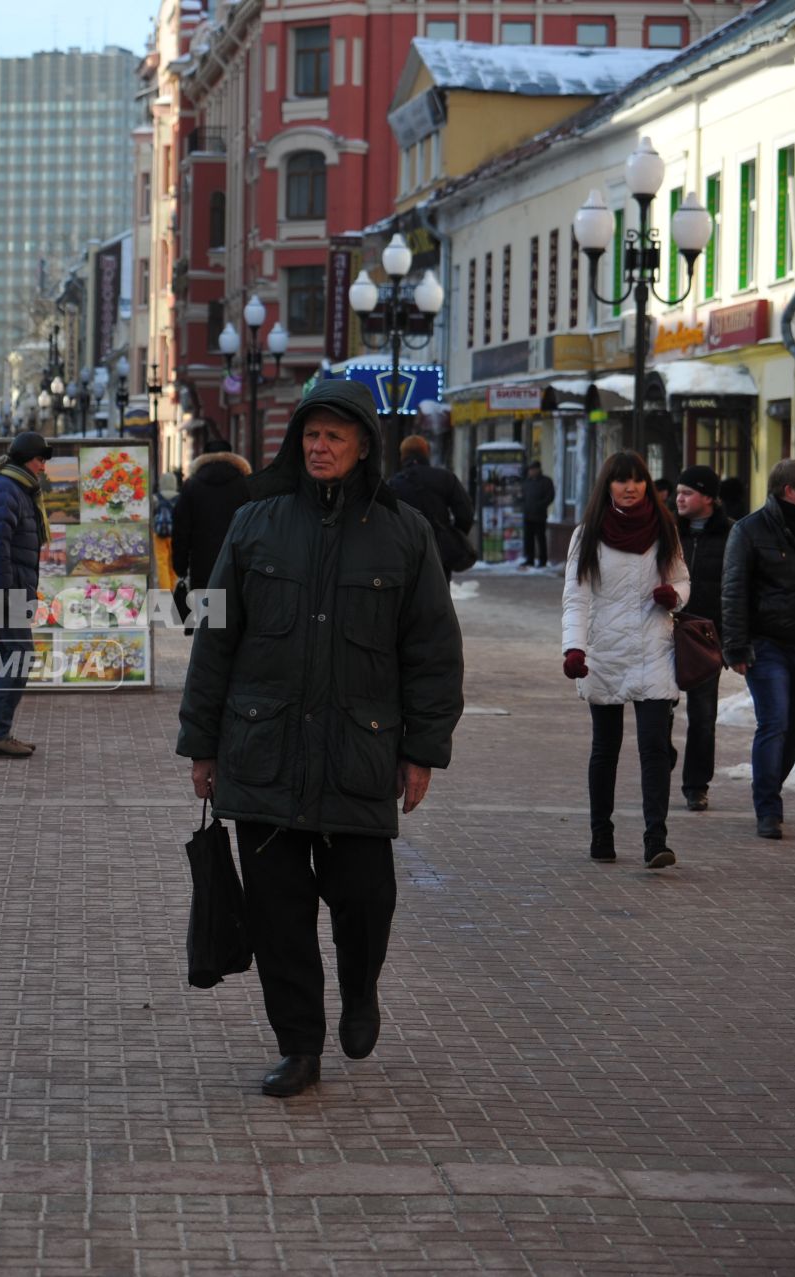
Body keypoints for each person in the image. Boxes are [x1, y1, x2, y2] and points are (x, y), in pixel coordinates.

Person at [177, 380, 464, 1099]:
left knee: (366, 899)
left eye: (335, 434)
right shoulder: (256, 524)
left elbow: (432, 648)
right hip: (263, 751)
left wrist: (423, 749)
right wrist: (202, 744)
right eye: (311, 433)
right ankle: (299, 1045)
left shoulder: (404, 533)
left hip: (358, 754)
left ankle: (361, 986)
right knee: (279, 915)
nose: (320, 445)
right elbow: (215, 637)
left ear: (364, 444)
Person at [561, 452, 689, 867]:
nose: (630, 487)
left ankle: (656, 839)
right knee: (606, 748)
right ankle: (602, 831)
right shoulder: (588, 534)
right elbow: (576, 599)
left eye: (637, 480)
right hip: (605, 652)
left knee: (654, 746)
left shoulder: (664, 528)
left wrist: (675, 596)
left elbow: (681, 578)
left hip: (654, 648)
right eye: (621, 481)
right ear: (608, 486)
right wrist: (574, 648)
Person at [720, 459, 795, 839]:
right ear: (792, 490)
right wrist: (736, 647)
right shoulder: (749, 530)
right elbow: (734, 590)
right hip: (766, 644)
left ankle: (769, 789)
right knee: (775, 722)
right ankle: (768, 808)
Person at [0, 429, 50, 758]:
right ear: (28, 460)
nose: (43, 467)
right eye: (40, 460)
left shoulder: (15, 489)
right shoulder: (6, 490)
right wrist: (5, 592)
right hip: (7, 589)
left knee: (6, 658)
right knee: (19, 656)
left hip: (10, 587)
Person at [673, 465, 732, 812]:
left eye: (688, 492)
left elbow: (737, 590)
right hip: (664, 633)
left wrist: (729, 639)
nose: (679, 498)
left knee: (703, 717)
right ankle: (661, 757)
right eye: (678, 492)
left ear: (708, 498)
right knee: (658, 711)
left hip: (706, 639)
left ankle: (696, 785)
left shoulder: (732, 535)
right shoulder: (666, 532)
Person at [170, 441, 252, 626]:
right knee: (236, 620)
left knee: (208, 623)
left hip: (203, 564)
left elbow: (181, 529)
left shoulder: (192, 485)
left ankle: (209, 651)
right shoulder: (246, 484)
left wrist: (180, 566)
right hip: (239, 563)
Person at [388, 434, 476, 578]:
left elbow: (388, 520)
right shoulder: (446, 478)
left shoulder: (394, 483)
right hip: (441, 550)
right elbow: (465, 513)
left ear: (403, 455)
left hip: (407, 551)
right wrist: (453, 535)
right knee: (440, 595)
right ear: (426, 453)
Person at [523, 461, 556, 568]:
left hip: (539, 516)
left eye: (532, 470)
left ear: (537, 470)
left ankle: (543, 561)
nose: (530, 472)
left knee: (541, 539)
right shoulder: (527, 482)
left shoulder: (546, 481)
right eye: (529, 470)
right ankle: (530, 559)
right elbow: (523, 496)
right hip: (528, 516)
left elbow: (550, 496)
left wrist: (540, 505)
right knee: (529, 539)